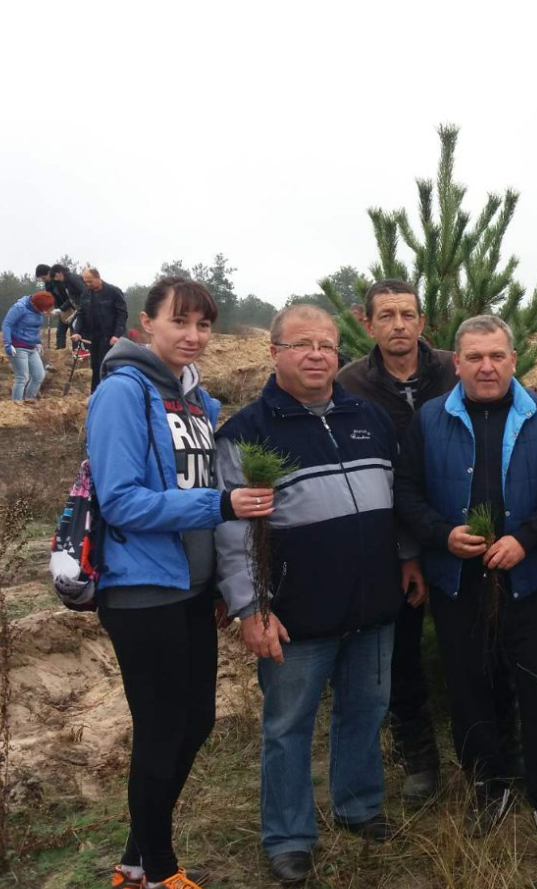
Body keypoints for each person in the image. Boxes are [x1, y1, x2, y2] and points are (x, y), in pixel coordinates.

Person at [337, 279, 537, 805]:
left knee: (498, 655)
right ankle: (420, 753)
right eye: (385, 316)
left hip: (477, 546)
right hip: (393, 535)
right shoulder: (351, 384)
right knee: (406, 654)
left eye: (407, 313)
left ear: (422, 321)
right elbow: (396, 481)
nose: (398, 324)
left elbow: (502, 393)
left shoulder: (450, 364)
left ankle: (511, 756)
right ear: (367, 324)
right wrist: (419, 545)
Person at [86, 276, 274, 889]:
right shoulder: (123, 393)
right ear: (147, 324)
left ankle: (135, 859)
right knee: (163, 727)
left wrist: (219, 580)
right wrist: (220, 506)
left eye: (204, 325)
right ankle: (160, 871)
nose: (193, 336)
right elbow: (120, 501)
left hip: (190, 591)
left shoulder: (193, 401)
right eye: (180, 322)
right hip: (142, 591)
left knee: (195, 723)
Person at [214, 305, 412, 884]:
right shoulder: (248, 432)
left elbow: (397, 500)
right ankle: (288, 835)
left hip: (374, 603)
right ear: (273, 352)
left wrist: (408, 561)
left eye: (326, 345)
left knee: (365, 711)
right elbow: (231, 534)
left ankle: (357, 805)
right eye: (302, 345)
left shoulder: (368, 417)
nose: (318, 355)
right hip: (294, 613)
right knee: (287, 725)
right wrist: (251, 607)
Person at [395, 315, 537, 856]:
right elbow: (406, 492)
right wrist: (440, 534)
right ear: (457, 363)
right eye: (474, 357)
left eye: (497, 355)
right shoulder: (431, 419)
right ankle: (488, 784)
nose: (486, 366)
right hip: (459, 580)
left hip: (529, 577)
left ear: (514, 359)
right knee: (470, 686)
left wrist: (526, 538)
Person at [72, 267, 128, 390]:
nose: (87, 284)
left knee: (107, 366)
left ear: (98, 277)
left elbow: (122, 314)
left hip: (110, 337)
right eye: (85, 282)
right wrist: (77, 332)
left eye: (90, 281)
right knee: (95, 366)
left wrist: (116, 335)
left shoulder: (114, 292)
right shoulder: (86, 294)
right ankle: (95, 393)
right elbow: (81, 314)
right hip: (94, 336)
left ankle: (110, 392)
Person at [3, 290, 55, 401]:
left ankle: (29, 400)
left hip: (31, 347)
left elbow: (34, 328)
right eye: (43, 309)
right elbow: (7, 324)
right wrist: (8, 344)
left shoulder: (38, 310)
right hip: (17, 347)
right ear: (36, 305)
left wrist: (38, 342)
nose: (44, 312)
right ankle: (17, 406)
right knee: (22, 377)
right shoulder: (20, 308)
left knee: (39, 375)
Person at [39, 263, 85, 349]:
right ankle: (61, 352)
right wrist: (49, 308)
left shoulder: (66, 281)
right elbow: (51, 297)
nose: (43, 280)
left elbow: (72, 298)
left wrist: (61, 309)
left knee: (74, 332)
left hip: (72, 309)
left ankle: (76, 352)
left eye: (44, 278)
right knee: (60, 332)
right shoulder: (48, 285)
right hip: (62, 311)